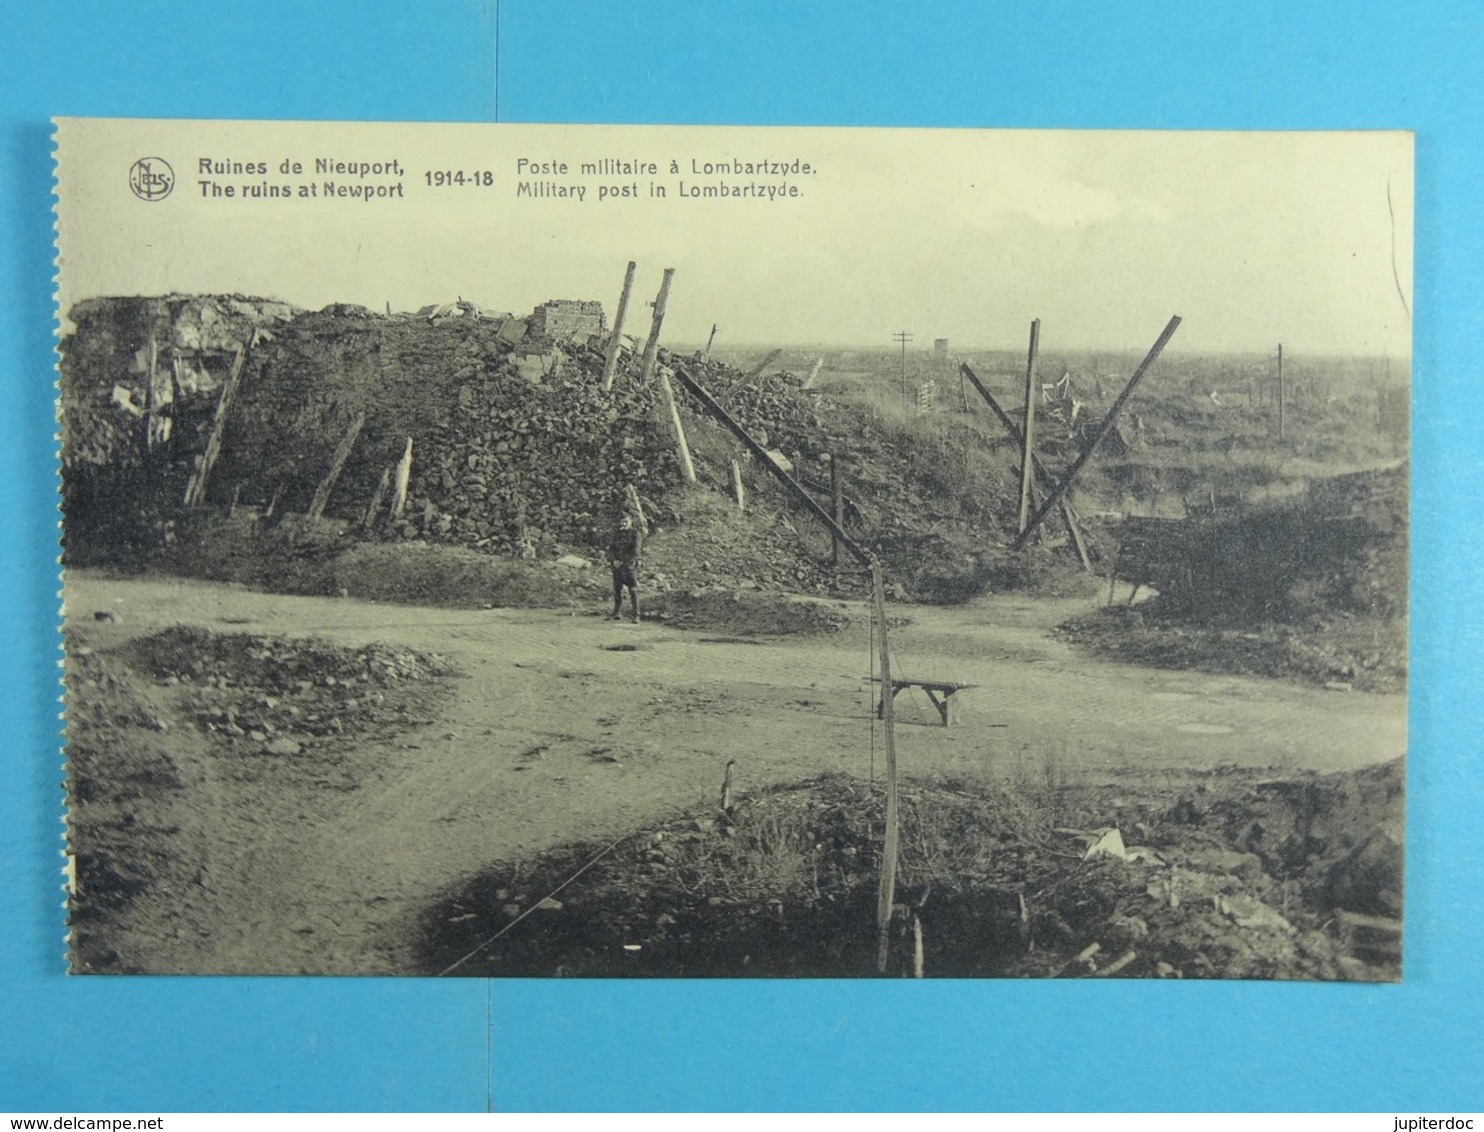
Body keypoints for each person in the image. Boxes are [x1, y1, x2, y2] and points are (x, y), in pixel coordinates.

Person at [608, 513, 641, 622]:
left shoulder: (635, 534)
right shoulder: (617, 534)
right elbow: (611, 549)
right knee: (617, 589)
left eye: (626, 521)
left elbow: (635, 552)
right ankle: (617, 612)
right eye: (622, 522)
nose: (623, 524)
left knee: (633, 590)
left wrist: (622, 561)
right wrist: (614, 560)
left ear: (631, 522)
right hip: (617, 567)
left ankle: (636, 615)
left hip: (629, 567)